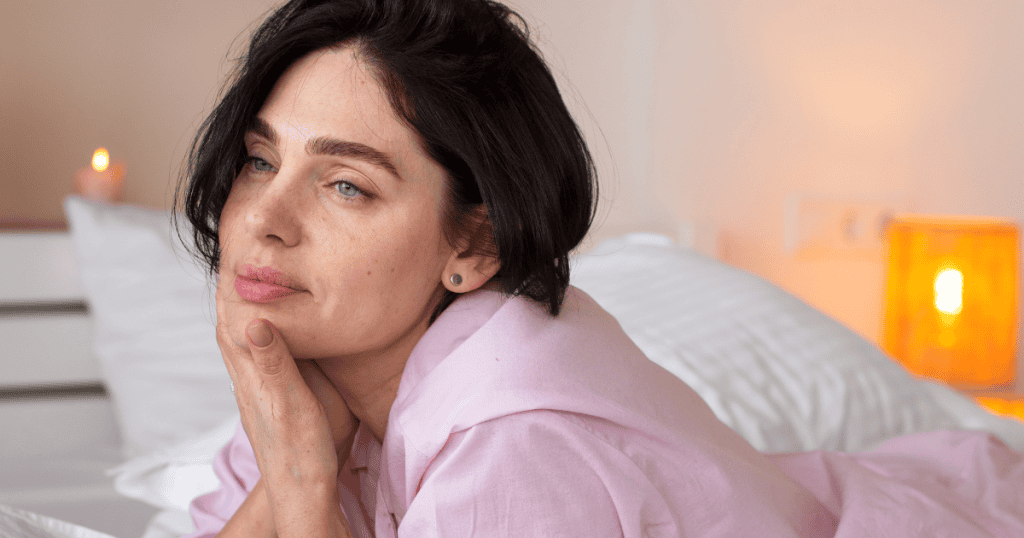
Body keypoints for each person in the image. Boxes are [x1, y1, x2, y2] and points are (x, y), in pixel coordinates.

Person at [176, 0, 1024, 537]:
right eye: (258, 162)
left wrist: (299, 483)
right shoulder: (315, 382)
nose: (264, 220)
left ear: (473, 247)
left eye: (347, 185)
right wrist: (296, 457)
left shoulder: (514, 451)